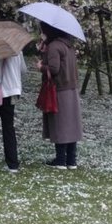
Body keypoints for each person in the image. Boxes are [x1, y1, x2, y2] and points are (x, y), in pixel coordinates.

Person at [38, 23, 84, 170]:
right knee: (71, 125)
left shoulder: (55, 46)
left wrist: (41, 67)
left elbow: (54, 69)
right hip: (72, 89)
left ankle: (60, 160)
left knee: (61, 125)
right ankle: (71, 160)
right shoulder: (68, 46)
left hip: (60, 89)